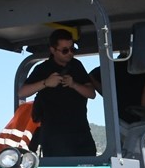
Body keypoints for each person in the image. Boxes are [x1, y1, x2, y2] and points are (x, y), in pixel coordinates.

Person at [18, 29, 97, 157]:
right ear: (53, 50)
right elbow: (22, 93)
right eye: (65, 50)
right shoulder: (43, 69)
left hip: (80, 133)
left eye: (72, 49)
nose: (70, 53)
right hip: (54, 136)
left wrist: (74, 84)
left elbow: (91, 93)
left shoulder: (76, 66)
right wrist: (45, 83)